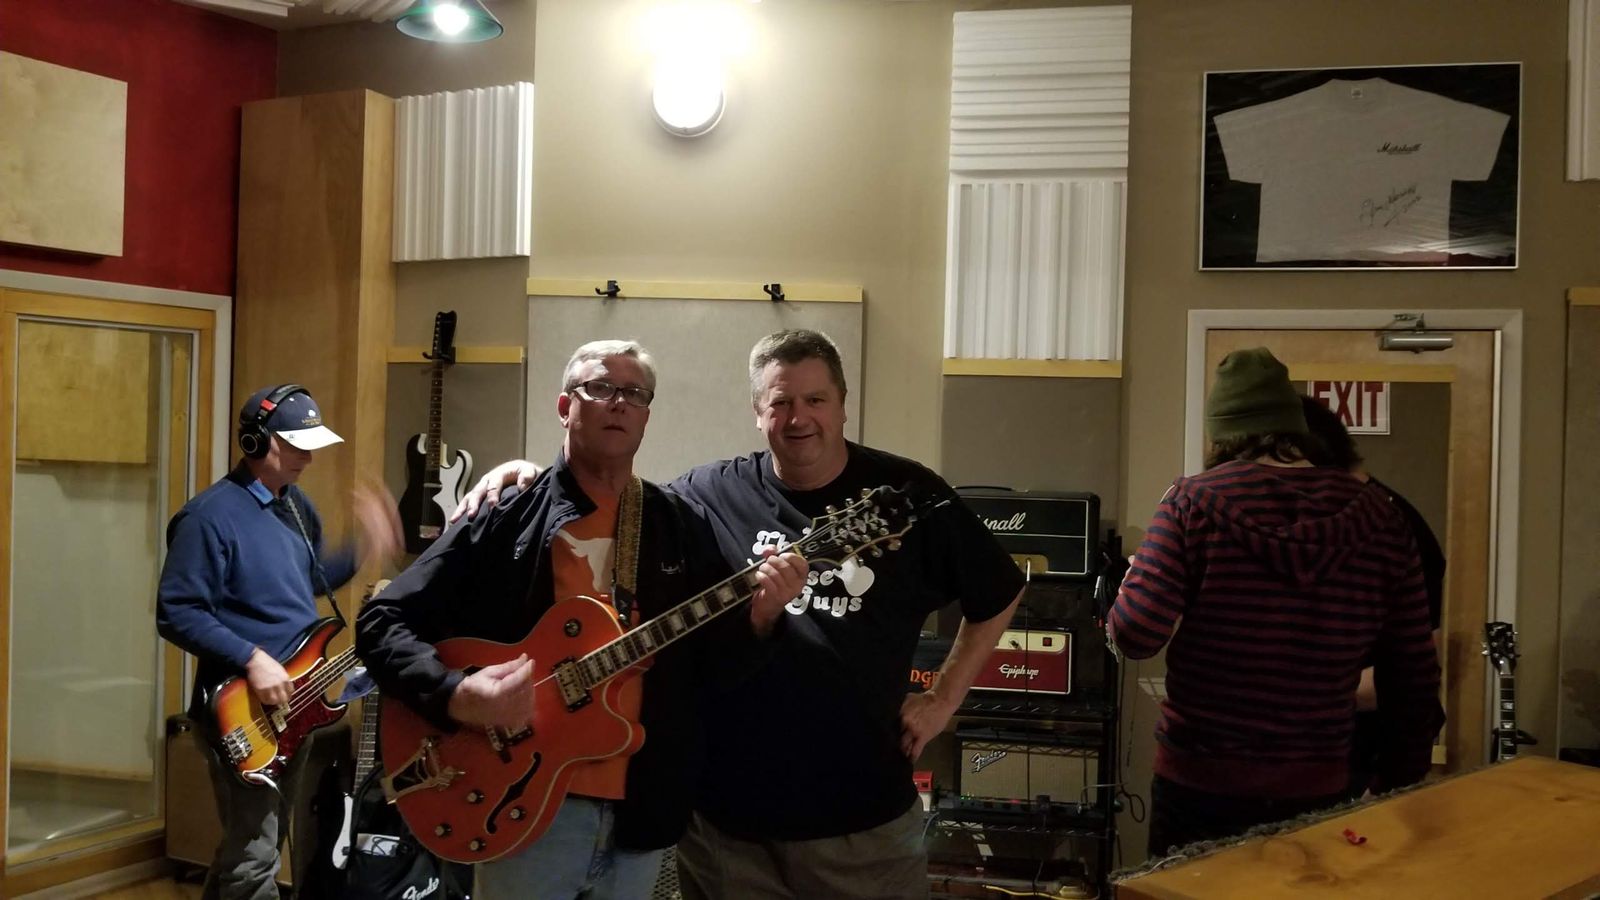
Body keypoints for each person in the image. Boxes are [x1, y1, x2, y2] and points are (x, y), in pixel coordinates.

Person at [455, 329, 1026, 899]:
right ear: (758, 412)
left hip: (865, 827)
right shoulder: (703, 495)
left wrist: (942, 699)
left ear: (842, 405)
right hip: (725, 833)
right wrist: (522, 478)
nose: (798, 418)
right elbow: (606, 494)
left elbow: (999, 590)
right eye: (780, 402)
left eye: (815, 399)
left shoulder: (904, 493)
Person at [355, 340, 809, 900]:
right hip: (517, 804)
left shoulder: (679, 525)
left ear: (645, 416)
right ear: (564, 406)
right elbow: (381, 621)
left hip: (641, 811)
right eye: (600, 387)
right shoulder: (506, 512)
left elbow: (714, 672)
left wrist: (762, 618)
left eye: (635, 393)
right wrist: (454, 694)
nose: (619, 402)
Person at [1108, 348, 1444, 857]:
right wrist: (1396, 783)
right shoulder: (1382, 518)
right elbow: (1414, 676)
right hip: (1320, 785)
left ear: (1220, 435)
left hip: (1199, 785)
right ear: (1294, 428)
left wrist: (1131, 588)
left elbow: (1136, 634)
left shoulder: (1191, 503)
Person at [157, 383, 403, 900]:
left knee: (253, 850)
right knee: (254, 859)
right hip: (240, 711)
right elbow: (176, 612)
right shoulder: (207, 518)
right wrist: (252, 658)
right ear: (255, 442)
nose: (308, 458)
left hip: (296, 704)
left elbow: (307, 580)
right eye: (296, 446)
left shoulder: (295, 506)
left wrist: (365, 544)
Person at [1299, 395, 1446, 799]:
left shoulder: (1390, 526)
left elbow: (1419, 664)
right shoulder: (1334, 523)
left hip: (1367, 756)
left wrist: (1302, 695)